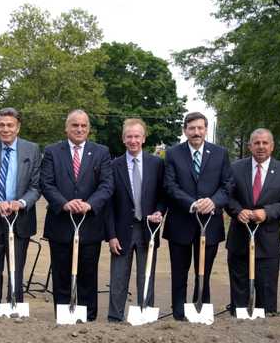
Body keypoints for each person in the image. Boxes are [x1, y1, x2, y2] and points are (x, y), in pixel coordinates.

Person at [40, 109, 113, 321]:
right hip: (61, 223)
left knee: (87, 273)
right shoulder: (53, 151)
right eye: (75, 125)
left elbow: (107, 185)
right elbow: (46, 183)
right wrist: (64, 204)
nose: (79, 129)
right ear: (66, 128)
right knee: (61, 273)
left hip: (90, 224)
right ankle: (64, 316)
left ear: (89, 128)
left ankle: (88, 317)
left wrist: (90, 205)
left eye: (83, 125)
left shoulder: (101, 152)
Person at [163, 112, 233, 320]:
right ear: (185, 130)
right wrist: (192, 204)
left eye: (200, 128)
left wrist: (213, 201)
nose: (196, 132)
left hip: (210, 222)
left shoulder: (220, 153)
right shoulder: (173, 153)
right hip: (181, 222)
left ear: (206, 129)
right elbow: (170, 185)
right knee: (179, 272)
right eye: (192, 128)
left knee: (204, 271)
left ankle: (200, 308)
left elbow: (228, 184)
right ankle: (178, 313)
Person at [0, 107, 41, 315]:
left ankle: (14, 308)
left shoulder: (32, 150)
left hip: (20, 218)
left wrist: (21, 202)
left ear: (18, 127)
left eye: (10, 125)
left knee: (16, 269)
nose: (5, 129)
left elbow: (36, 187)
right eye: (1, 125)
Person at [225, 128, 280, 315]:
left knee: (266, 293)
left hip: (268, 244)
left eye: (265, 143)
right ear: (250, 146)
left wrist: (267, 212)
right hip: (239, 240)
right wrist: (237, 211)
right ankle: (237, 322)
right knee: (239, 291)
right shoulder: (235, 168)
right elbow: (226, 196)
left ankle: (266, 328)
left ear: (272, 146)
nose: (261, 147)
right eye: (256, 143)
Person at [104, 118, 167, 322]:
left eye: (137, 136)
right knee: (118, 277)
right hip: (122, 231)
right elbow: (109, 204)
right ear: (123, 139)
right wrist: (111, 235)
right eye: (129, 136)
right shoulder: (114, 165)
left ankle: (145, 314)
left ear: (144, 138)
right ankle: (115, 317)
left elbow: (162, 195)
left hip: (148, 229)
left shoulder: (156, 164)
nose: (133, 140)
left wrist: (159, 212)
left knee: (146, 274)